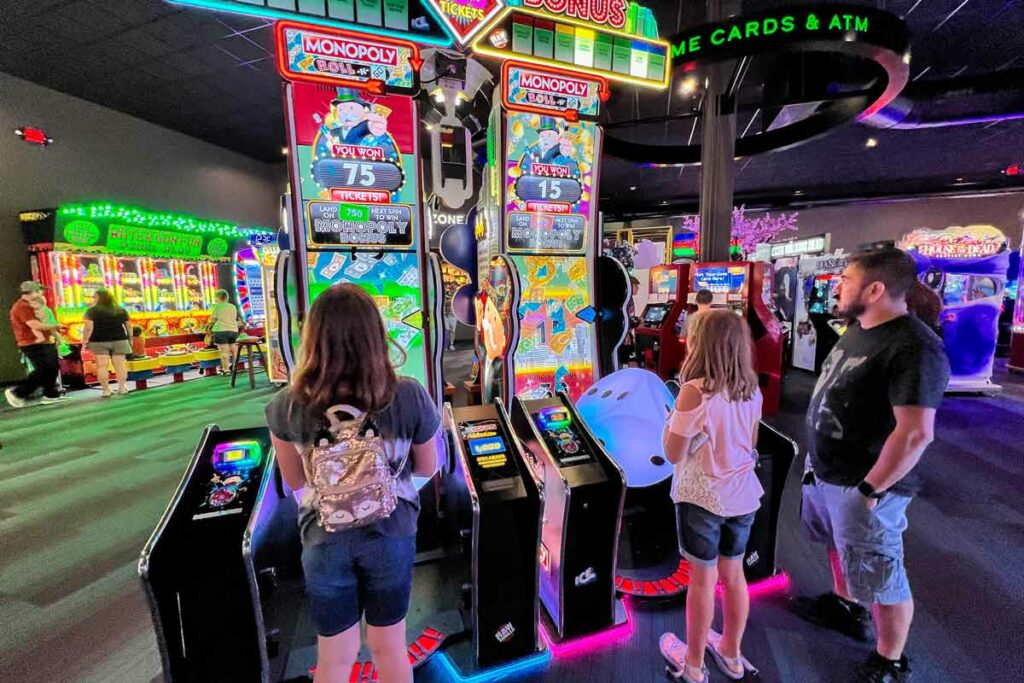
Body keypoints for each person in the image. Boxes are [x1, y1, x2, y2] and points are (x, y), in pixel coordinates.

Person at [265, 284, 439, 683]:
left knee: (336, 657)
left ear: (313, 336)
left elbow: (294, 482)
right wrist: (385, 493)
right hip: (392, 533)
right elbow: (429, 466)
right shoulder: (408, 393)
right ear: (376, 334)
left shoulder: (285, 405)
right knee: (390, 647)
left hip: (323, 540)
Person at [792, 249, 949, 682]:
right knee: (841, 549)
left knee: (881, 572)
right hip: (827, 472)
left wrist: (871, 490)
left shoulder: (914, 347)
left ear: (875, 289)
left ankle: (891, 659)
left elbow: (916, 433)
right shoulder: (861, 328)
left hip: (867, 484)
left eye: (845, 278)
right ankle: (847, 605)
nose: (837, 285)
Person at [659, 309, 764, 683]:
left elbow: (673, 453)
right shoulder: (751, 390)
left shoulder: (694, 391)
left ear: (701, 344)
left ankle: (692, 666)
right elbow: (749, 444)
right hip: (743, 497)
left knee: (702, 581)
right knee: (733, 577)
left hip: (702, 498)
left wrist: (672, 419)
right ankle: (732, 655)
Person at [6, 281, 65, 408]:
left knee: (52, 367)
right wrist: (55, 326)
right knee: (43, 369)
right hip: (31, 343)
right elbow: (35, 325)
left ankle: (50, 394)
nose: (41, 293)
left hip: (43, 341)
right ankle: (18, 392)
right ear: (31, 292)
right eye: (39, 291)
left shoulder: (33, 304)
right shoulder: (21, 307)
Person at [82, 289, 131, 397]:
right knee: (120, 365)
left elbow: (88, 328)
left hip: (98, 341)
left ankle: (106, 390)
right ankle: (122, 388)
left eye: (94, 297)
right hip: (119, 340)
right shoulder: (120, 309)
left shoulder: (91, 311)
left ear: (99, 298)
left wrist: (84, 341)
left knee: (102, 366)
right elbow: (128, 326)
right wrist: (129, 338)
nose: (93, 299)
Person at [209, 290, 243, 375]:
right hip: (233, 330)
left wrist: (208, 328)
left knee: (224, 351)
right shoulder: (233, 307)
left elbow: (213, 320)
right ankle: (235, 368)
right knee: (234, 350)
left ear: (217, 298)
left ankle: (226, 370)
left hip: (221, 330)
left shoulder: (216, 307)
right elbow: (235, 318)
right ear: (227, 297)